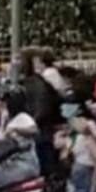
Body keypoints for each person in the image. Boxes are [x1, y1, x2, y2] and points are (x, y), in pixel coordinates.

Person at [0, 87, 41, 192]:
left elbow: (34, 130)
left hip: (22, 166)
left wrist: (15, 129)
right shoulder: (6, 117)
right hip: (8, 165)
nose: (1, 104)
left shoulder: (22, 117)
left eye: (4, 102)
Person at [20, 49, 63, 178]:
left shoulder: (36, 82)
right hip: (38, 129)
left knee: (45, 164)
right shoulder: (35, 81)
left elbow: (42, 106)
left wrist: (33, 122)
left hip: (40, 130)